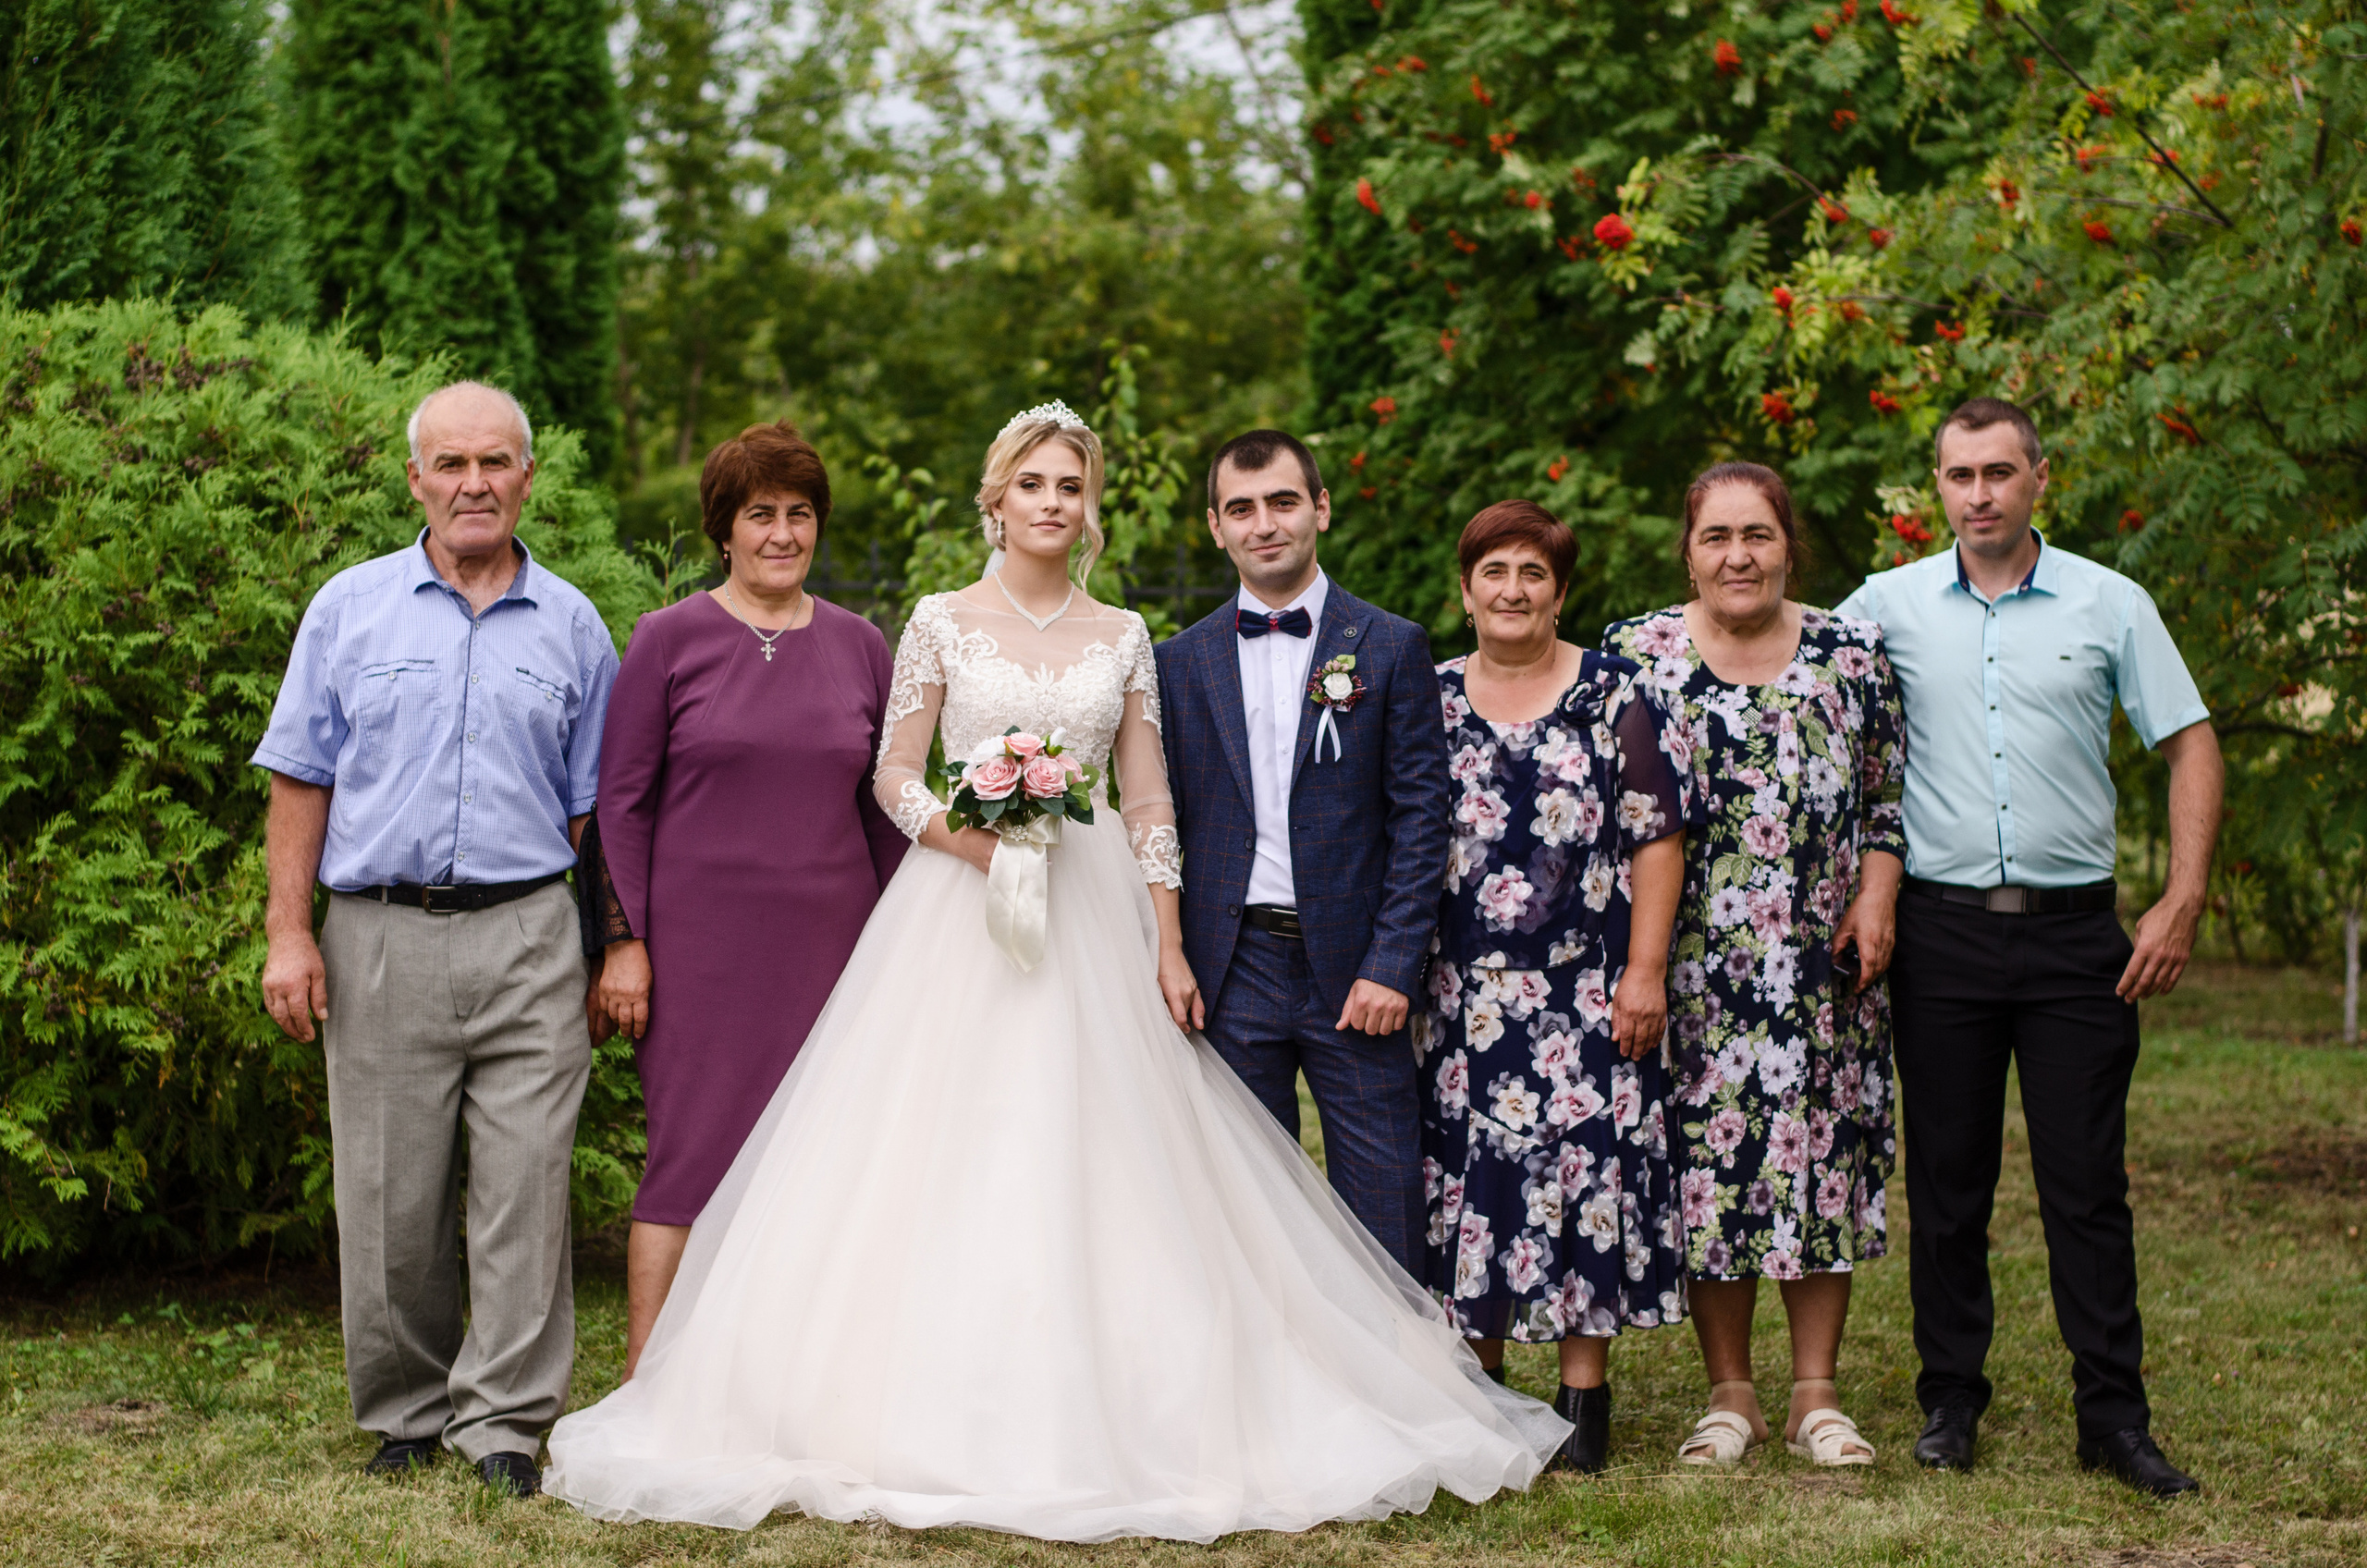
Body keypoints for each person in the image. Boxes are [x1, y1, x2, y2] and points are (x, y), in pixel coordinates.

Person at [541, 403, 1567, 1540]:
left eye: (1070, 487)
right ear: (996, 498)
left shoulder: (1124, 633)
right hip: (958, 906)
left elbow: (1148, 799)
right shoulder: (934, 620)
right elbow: (892, 776)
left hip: (1092, 909)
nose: (1051, 503)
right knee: (935, 1139)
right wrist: (974, 841)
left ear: (1089, 510)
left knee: (1107, 1141)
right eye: (1031, 483)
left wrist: (1168, 940)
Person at [1836, 397, 2221, 1498]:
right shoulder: (1884, 607)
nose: (1980, 495)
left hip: (2075, 944)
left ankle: (2113, 1416)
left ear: (2038, 479)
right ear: (1937, 487)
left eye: (2000, 473)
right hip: (1941, 937)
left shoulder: (2111, 602)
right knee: (1947, 1181)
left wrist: (2179, 897)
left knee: (2085, 1184)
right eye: (1959, 476)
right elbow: (1780, 664)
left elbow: (2189, 742)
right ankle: (1949, 1400)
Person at [252, 381, 619, 1499]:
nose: (474, 483)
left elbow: (594, 812)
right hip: (377, 934)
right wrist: (288, 934)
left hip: (527, 933)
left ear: (526, 478)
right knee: (387, 1192)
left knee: (524, 1188)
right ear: (414, 477)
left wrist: (611, 942)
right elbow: (299, 778)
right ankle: (406, 1410)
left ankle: (504, 1421)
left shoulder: (573, 625)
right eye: (451, 463)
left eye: (496, 462)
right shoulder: (348, 608)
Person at [583, 422, 905, 1378]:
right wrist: (624, 943)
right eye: (759, 512)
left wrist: (902, 948)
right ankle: (652, 1378)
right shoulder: (667, 638)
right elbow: (618, 803)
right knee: (689, 1157)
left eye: (799, 513)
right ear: (723, 528)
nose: (780, 531)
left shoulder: (860, 645)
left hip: (833, 951)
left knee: (822, 1160)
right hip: (697, 956)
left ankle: (795, 1377)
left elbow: (884, 808)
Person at [1606, 464, 1907, 1470]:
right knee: (1713, 1174)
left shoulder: (1850, 654)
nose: (1738, 555)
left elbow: (1882, 802)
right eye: (1716, 536)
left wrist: (1873, 901)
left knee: (1818, 1166)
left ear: (1789, 544)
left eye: (1758, 535)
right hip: (1686, 969)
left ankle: (1815, 1394)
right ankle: (1728, 1392)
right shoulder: (1634, 656)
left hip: (1821, 970)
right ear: (1687, 550)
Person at [1422, 501, 1694, 1474]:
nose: (1511, 589)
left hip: (1588, 992)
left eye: (1532, 572)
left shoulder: (1615, 692)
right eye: (1493, 570)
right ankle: (1481, 1399)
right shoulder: (1430, 694)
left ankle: (1584, 1404)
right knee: (1471, 1188)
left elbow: (1656, 836)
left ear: (1560, 591)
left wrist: (1645, 972)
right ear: (1465, 589)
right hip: (1462, 995)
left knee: (1587, 1182)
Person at [1153, 429, 1453, 1275]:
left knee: (1386, 1196)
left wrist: (1393, 964)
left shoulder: (1389, 645)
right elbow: (1161, 814)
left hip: (1354, 966)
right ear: (1216, 527)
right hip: (1229, 966)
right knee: (1248, 1206)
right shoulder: (1178, 662)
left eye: (1283, 502)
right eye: (1241, 509)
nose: (1264, 524)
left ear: (1319, 507)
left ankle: (1402, 1384)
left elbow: (1422, 818)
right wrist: (1172, 951)